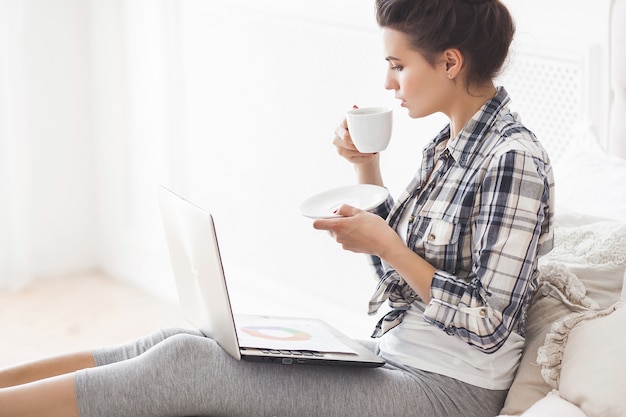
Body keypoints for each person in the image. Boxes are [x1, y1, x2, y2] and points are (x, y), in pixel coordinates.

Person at [0, 0, 553, 416]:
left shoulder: (513, 159)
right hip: (398, 355)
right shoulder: (449, 145)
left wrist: (385, 242)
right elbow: (402, 279)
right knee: (185, 341)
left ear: (450, 62)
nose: (388, 83)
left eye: (398, 65)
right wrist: (366, 168)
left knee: (189, 367)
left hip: (449, 391)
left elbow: (490, 321)